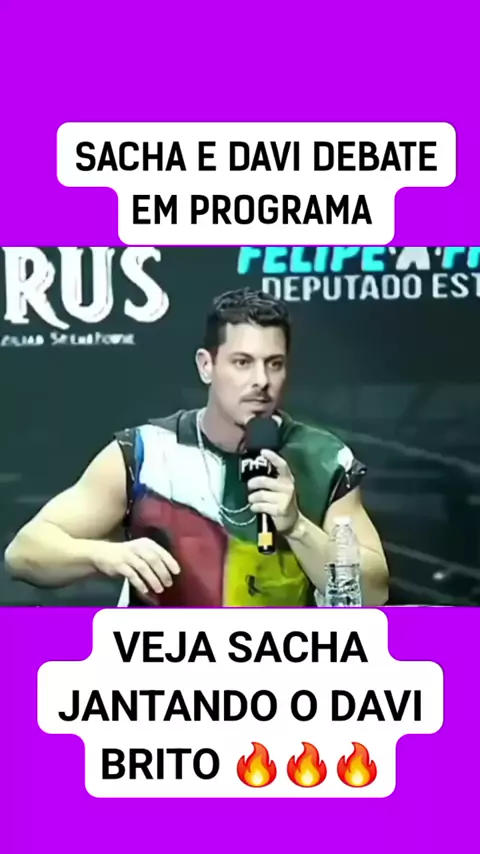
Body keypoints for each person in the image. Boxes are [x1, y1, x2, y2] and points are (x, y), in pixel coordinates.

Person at [4, 288, 388, 607]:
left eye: (274, 364)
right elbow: (24, 554)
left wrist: (297, 527)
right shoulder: (145, 453)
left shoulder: (325, 459)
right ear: (207, 366)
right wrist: (106, 555)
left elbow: (374, 593)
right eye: (242, 362)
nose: (261, 380)